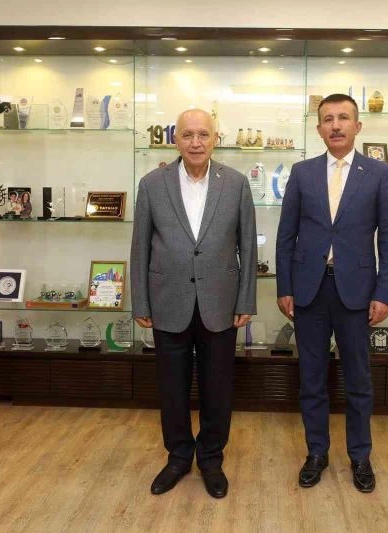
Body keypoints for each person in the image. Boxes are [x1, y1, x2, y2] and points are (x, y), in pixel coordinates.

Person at [275, 93, 388, 493]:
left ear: (357, 126)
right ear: (318, 129)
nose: (335, 125)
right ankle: (317, 453)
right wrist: (284, 287)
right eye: (328, 119)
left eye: (343, 117)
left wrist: (383, 292)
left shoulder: (378, 173)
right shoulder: (302, 172)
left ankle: (360, 456)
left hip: (357, 292)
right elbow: (286, 235)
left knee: (358, 380)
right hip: (309, 290)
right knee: (311, 379)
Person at [130, 108, 257, 499]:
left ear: (215, 138)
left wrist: (246, 299)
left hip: (220, 303)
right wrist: (141, 302)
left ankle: (211, 460)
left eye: (203, 134)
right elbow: (140, 247)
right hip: (168, 301)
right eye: (188, 135)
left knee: (218, 389)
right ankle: (178, 458)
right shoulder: (152, 184)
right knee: (172, 389)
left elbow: (248, 246)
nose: (196, 142)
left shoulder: (235, 183)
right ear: (176, 139)